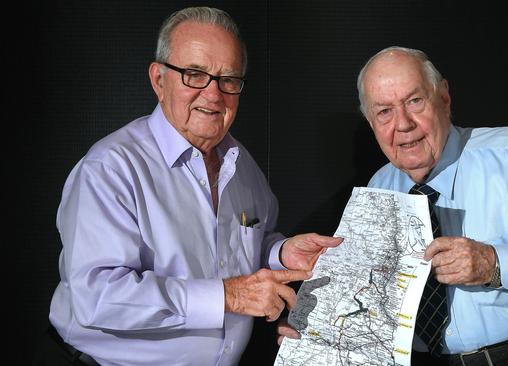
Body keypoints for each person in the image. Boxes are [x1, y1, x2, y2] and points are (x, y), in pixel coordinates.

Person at [278, 46, 508, 366]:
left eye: (414, 101)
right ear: (371, 122)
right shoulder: (379, 186)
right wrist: (316, 335)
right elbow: (370, 300)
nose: (402, 124)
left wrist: (496, 263)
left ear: (443, 97)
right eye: (384, 111)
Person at [36, 7, 342, 366]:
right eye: (194, 74)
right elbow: (98, 297)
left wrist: (281, 252)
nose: (214, 94)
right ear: (158, 79)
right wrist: (227, 297)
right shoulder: (110, 169)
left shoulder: (242, 167)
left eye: (228, 79)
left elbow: (248, 235)